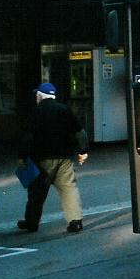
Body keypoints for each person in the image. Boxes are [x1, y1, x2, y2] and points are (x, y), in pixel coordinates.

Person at [17, 82, 89, 233]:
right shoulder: (64, 110)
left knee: (37, 192)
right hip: (64, 157)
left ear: (40, 96)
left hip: (43, 159)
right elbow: (80, 132)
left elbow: (27, 138)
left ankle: (32, 222)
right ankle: (75, 221)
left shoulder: (36, 112)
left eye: (37, 95)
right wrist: (83, 151)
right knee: (69, 188)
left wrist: (22, 157)